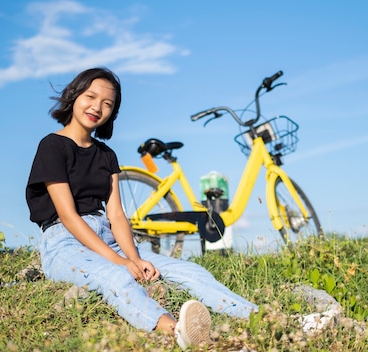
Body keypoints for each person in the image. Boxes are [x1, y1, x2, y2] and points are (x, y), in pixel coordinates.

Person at [26, 67, 258, 349]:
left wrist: (134, 258)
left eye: (107, 104)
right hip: (65, 242)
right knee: (115, 276)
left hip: (109, 237)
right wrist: (122, 263)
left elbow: (116, 215)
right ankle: (175, 331)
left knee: (189, 271)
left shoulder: (106, 155)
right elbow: (68, 216)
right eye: (90, 96)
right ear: (74, 95)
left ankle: (257, 317)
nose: (97, 107)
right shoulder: (52, 146)